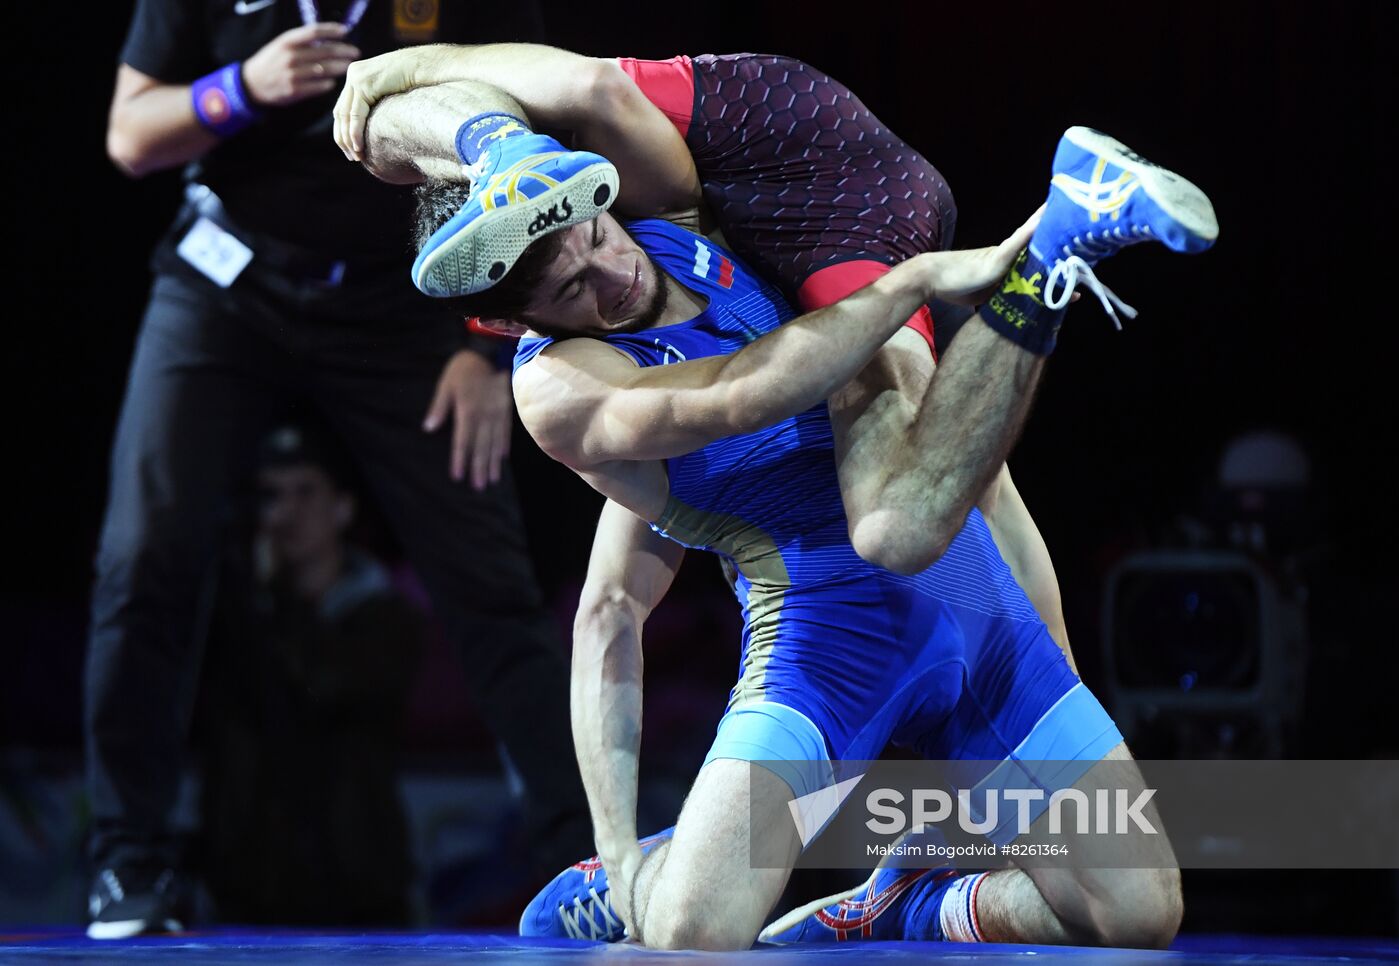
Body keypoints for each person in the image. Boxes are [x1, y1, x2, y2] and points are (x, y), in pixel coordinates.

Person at [335, 44, 1216, 950]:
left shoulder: (675, 219)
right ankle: (683, 863)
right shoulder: (559, 391)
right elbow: (736, 401)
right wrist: (615, 850)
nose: (615, 273)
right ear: (510, 322)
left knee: (1140, 912)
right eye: (574, 289)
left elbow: (989, 482)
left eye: (598, 236)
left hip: (977, 617)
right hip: (823, 650)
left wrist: (474, 133)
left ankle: (911, 902)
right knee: (691, 933)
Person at [86, 6, 590, 940]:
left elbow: (538, 139)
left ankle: (582, 861)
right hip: (227, 281)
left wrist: (487, 350)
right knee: (145, 555)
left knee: (490, 583)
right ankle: (129, 864)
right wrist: (240, 88)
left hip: (402, 312)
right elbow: (130, 134)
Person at [197, 423, 421, 926]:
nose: (288, 513)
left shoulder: (385, 615)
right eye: (272, 496)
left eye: (305, 491)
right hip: (249, 889)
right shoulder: (233, 614)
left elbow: (328, 687)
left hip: (361, 890)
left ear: (343, 507)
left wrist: (272, 597)